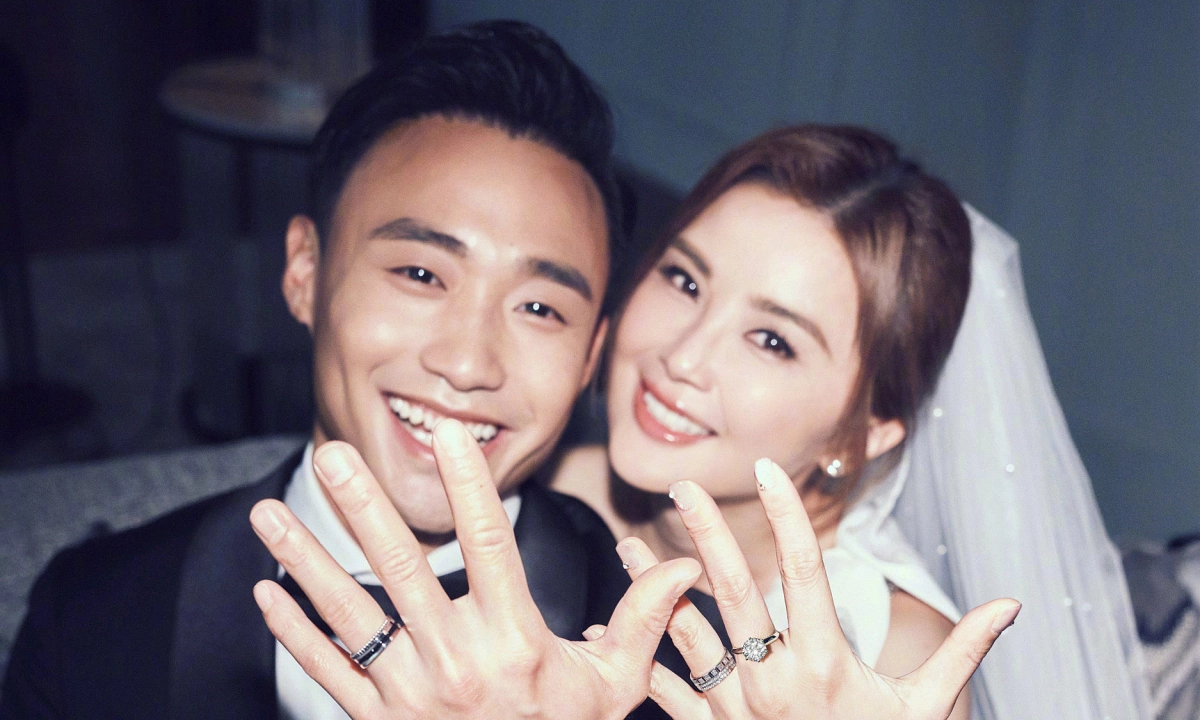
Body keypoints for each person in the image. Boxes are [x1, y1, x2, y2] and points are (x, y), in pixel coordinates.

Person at [0, 20, 671, 720]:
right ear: (305, 272)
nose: (468, 362)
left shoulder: (658, 655)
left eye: (539, 308)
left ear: (591, 356)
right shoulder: (89, 617)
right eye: (420, 274)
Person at [551, 125, 1151, 718]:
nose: (683, 357)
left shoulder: (897, 663)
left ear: (863, 435)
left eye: (771, 340)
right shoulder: (543, 482)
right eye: (685, 280)